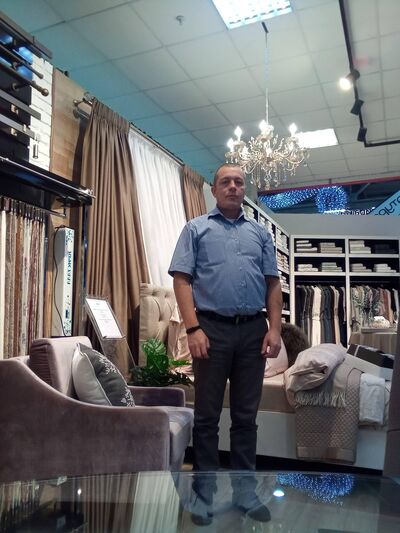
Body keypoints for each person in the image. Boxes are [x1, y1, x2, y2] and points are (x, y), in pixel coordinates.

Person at [168, 163, 282, 525]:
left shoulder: (260, 234)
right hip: (211, 330)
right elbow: (181, 280)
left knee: (246, 418)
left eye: (239, 182)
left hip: (253, 331)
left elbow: (273, 283)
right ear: (214, 190)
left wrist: (275, 329)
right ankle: (204, 495)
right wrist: (193, 329)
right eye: (225, 182)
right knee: (206, 417)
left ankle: (245, 493)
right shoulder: (196, 229)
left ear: (243, 190)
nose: (233, 187)